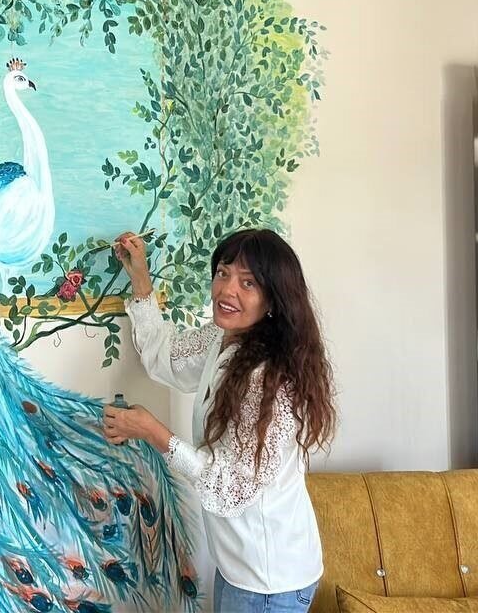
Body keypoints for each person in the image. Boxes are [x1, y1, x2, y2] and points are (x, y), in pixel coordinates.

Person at [103, 228, 337, 612]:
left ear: (273, 299)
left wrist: (152, 432)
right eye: (223, 273)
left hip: (268, 580)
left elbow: (228, 485)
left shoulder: (269, 380)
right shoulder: (224, 339)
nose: (227, 290)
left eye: (248, 283)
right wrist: (141, 280)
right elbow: (167, 357)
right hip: (238, 567)